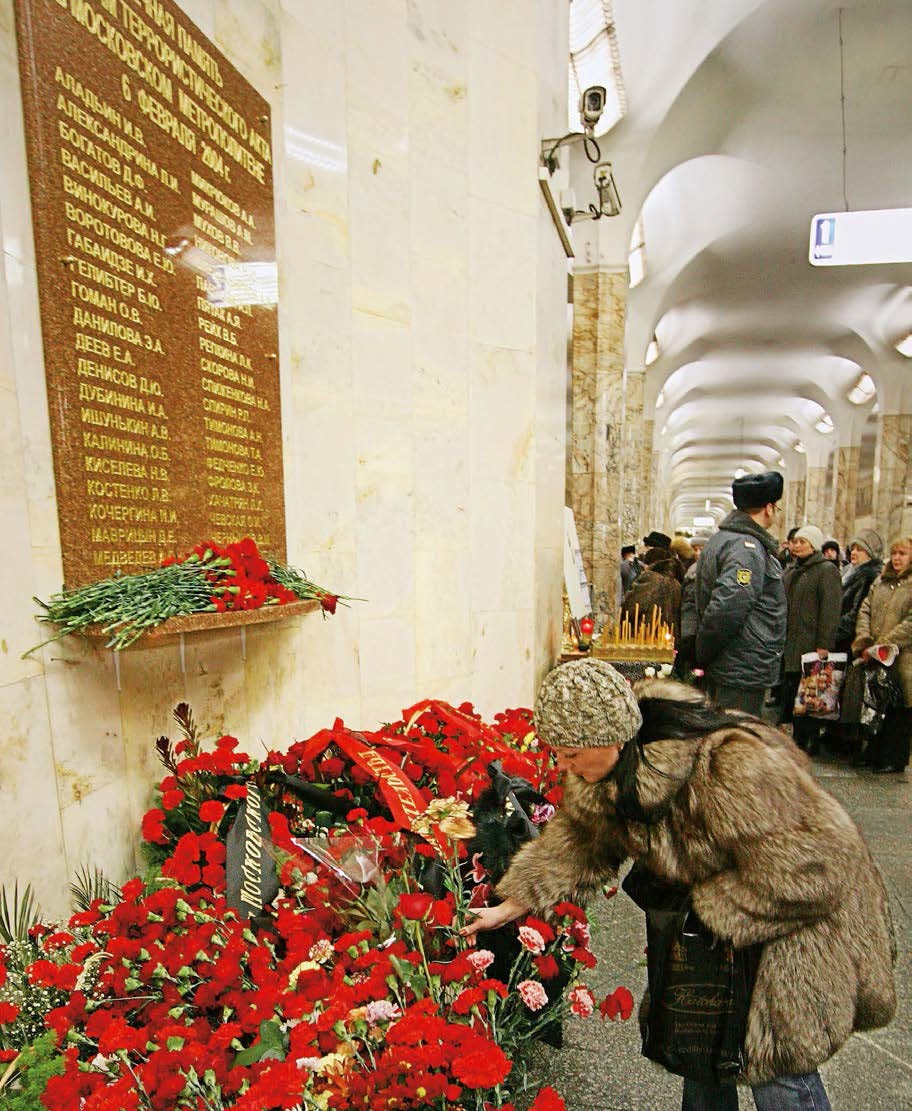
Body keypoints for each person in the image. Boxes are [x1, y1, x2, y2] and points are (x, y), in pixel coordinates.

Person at [461, 660, 896, 1111]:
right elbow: (581, 843)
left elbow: (813, 871)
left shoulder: (729, 766)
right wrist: (510, 903)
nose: (562, 765)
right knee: (700, 1052)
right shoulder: (608, 774)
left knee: (777, 1067)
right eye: (558, 753)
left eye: (571, 754)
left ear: (612, 738)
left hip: (789, 933)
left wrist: (711, 909)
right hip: (714, 941)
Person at [693, 470, 786, 715]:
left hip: (734, 663)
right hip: (741, 665)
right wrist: (704, 650)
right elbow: (728, 608)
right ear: (769, 508)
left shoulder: (728, 540)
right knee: (736, 733)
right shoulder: (746, 548)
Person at [779, 525, 842, 755]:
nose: (796, 546)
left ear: (813, 545)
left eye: (802, 542)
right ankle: (797, 737)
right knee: (794, 688)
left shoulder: (826, 571)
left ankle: (810, 739)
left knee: (812, 690)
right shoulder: (792, 570)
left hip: (811, 641)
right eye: (795, 541)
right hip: (792, 640)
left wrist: (824, 643)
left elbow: (830, 609)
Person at [853, 535, 912, 774]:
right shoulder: (880, 581)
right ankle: (873, 751)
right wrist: (865, 638)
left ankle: (894, 758)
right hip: (875, 655)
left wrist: (883, 645)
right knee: (876, 704)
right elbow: (865, 609)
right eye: (894, 553)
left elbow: (910, 623)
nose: (897, 558)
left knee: (899, 708)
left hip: (903, 658)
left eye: (902, 554)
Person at [620, 546, 682, 642]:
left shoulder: (650, 578)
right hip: (668, 638)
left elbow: (631, 607)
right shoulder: (676, 583)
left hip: (646, 636)